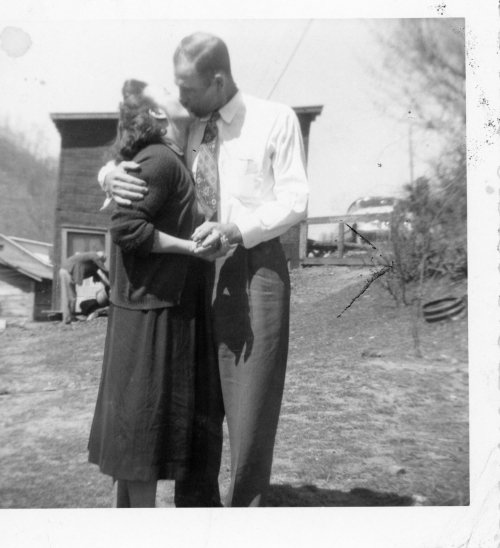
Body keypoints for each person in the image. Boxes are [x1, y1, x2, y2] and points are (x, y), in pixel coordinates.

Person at [99, 33, 309, 507]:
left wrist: (237, 230)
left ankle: (244, 518)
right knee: (194, 402)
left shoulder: (275, 119)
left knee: (250, 409)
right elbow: (140, 155)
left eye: (187, 88)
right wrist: (110, 174)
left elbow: (295, 200)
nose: (181, 97)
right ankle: (198, 517)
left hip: (254, 269)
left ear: (218, 80)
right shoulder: (188, 125)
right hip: (193, 273)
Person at [88, 78, 227, 508]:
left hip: (149, 308)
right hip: (149, 314)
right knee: (140, 440)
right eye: (169, 89)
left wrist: (108, 172)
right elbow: (126, 229)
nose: (179, 89)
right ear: (159, 114)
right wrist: (192, 248)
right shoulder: (162, 162)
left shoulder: (167, 158)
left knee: (135, 440)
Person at [59, 251, 109, 324]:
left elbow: (99, 277)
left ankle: (71, 317)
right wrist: (112, 282)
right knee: (70, 296)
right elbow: (104, 270)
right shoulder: (94, 255)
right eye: (102, 261)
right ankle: (67, 319)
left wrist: (108, 286)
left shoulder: (90, 264)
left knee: (72, 296)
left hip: (68, 272)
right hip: (67, 271)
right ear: (101, 258)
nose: (100, 263)